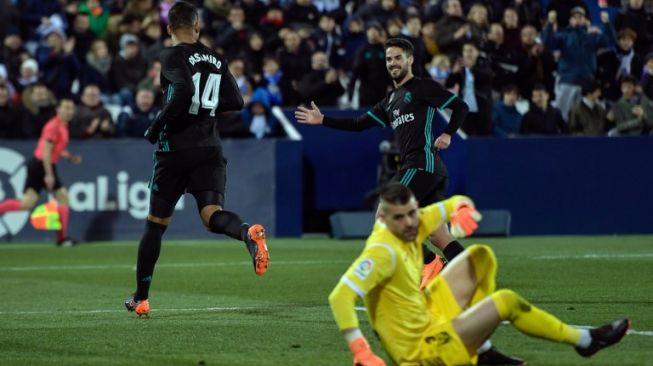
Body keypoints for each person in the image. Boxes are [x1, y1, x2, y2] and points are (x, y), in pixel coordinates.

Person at [296, 37, 522, 366]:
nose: (392, 63)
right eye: (388, 59)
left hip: (422, 166)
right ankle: (469, 277)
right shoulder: (391, 101)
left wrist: (448, 134)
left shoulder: (422, 87)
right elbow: (360, 124)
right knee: (440, 236)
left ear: (410, 59)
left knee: (383, 214)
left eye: (397, 58)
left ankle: (428, 265)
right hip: (425, 171)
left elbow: (460, 107)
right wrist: (323, 121)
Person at [328, 183, 630, 366]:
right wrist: (361, 351)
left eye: (412, 212)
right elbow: (340, 296)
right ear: (383, 219)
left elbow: (454, 202)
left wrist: (461, 209)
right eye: (400, 217)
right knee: (507, 301)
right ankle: (585, 340)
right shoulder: (382, 250)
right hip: (421, 350)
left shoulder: (413, 221)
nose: (410, 223)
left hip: (426, 314)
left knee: (477, 258)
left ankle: (481, 349)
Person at [124, 1, 270, 317]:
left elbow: (184, 90)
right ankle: (247, 233)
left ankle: (141, 298)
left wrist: (157, 124)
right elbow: (236, 100)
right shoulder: (216, 58)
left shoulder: (172, 55)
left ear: (168, 28)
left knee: (155, 224)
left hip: (174, 149)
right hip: (209, 147)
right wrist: (207, 110)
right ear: (197, 26)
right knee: (211, 215)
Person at [0, 98, 81, 246]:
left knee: (27, 203)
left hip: (41, 165)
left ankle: (62, 238)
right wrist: (48, 173)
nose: (69, 111)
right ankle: (62, 239)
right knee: (63, 198)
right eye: (66, 108)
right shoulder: (54, 126)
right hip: (42, 165)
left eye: (71, 108)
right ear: (58, 109)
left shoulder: (63, 126)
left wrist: (69, 157)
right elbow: (46, 151)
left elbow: (56, 148)